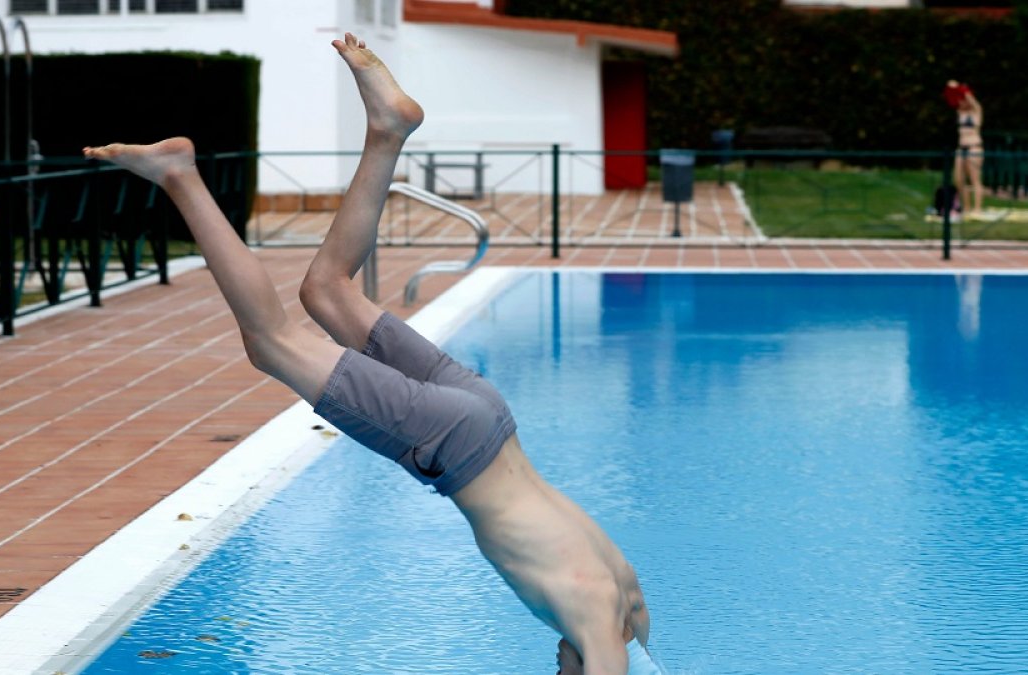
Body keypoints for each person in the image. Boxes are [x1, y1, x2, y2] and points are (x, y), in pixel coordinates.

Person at [84, 34, 658, 675]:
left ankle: (388, 129)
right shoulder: (594, 621)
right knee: (272, 342)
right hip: (451, 444)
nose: (557, 669)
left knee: (327, 291)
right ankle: (179, 175)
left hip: (490, 417)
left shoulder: (626, 601)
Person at [945, 79, 984, 218]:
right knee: (959, 179)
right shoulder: (960, 112)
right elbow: (951, 98)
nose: (961, 102)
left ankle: (977, 208)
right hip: (961, 148)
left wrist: (960, 88)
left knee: (975, 179)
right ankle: (966, 207)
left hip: (974, 147)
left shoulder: (976, 111)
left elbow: (972, 101)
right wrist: (952, 89)